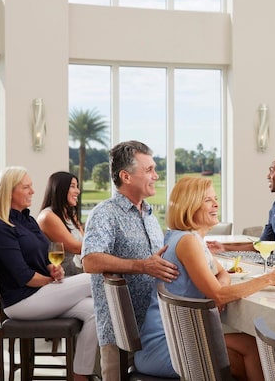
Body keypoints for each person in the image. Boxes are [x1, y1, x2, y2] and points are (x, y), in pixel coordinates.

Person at [135, 176, 275, 380]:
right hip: (166, 345)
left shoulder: (190, 238)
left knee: (245, 354)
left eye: (215, 198)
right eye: (207, 200)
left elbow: (222, 275)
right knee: (253, 349)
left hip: (177, 338)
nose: (216, 204)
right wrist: (270, 278)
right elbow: (220, 294)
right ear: (190, 205)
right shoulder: (187, 241)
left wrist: (217, 293)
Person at [0, 167, 97, 381]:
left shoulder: (27, 220)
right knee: (94, 279)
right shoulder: (0, 228)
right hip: (21, 302)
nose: (33, 191)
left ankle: (80, 375)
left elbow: (45, 258)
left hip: (41, 294)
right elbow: (24, 276)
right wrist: (51, 280)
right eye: (26, 187)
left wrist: (52, 269)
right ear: (9, 192)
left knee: (95, 310)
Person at [82, 140, 179, 381]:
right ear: (126, 176)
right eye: (149, 170)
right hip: (120, 332)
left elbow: (160, 259)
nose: (156, 176)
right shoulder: (105, 213)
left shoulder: (149, 215)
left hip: (155, 330)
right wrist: (141, 266)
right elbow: (90, 261)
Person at [37, 171, 84, 276]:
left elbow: (85, 241)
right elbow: (75, 247)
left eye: (77, 187)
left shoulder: (71, 215)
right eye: (73, 186)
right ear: (59, 189)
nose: (78, 191)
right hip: (56, 275)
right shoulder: (47, 217)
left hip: (72, 271)